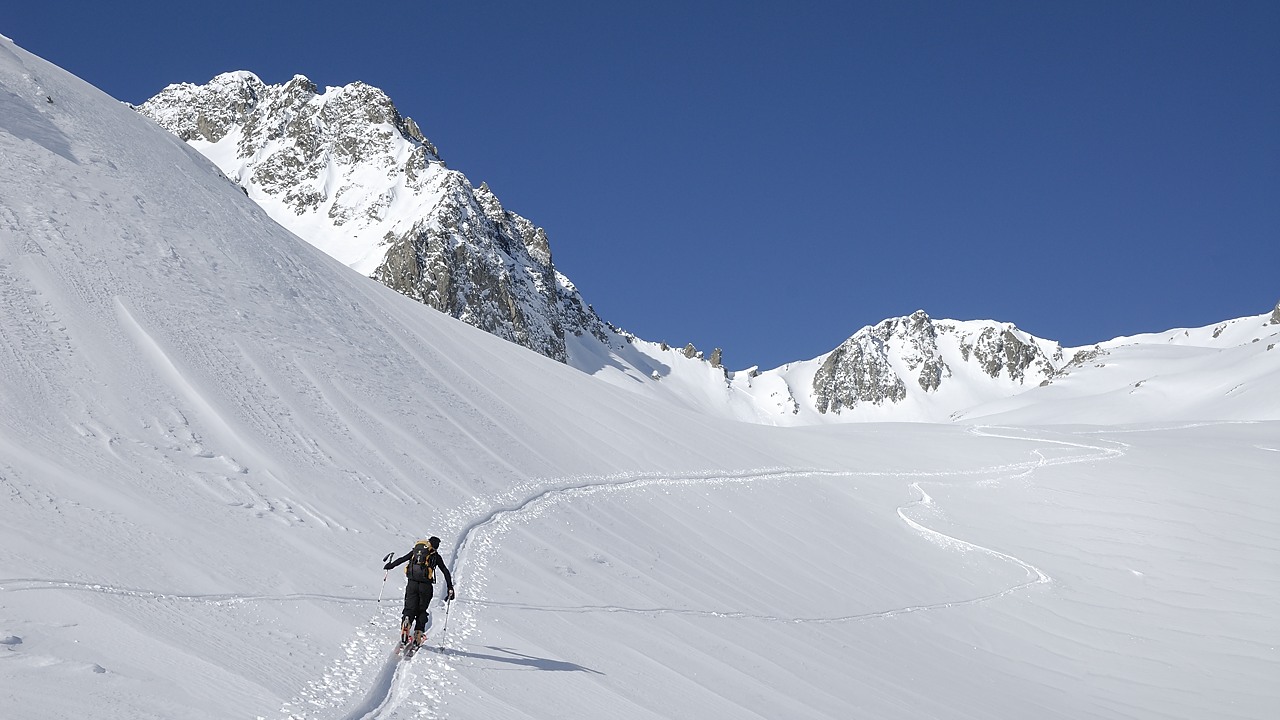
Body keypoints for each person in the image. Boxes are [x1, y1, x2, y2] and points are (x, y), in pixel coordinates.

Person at [384, 536, 455, 647]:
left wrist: (390, 565)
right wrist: (450, 587)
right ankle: (418, 633)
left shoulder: (416, 552)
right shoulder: (435, 556)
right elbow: (445, 571)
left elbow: (402, 559)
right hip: (426, 586)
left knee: (410, 607)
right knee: (422, 610)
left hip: (411, 584)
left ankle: (407, 621)